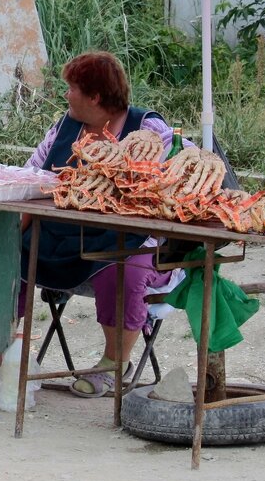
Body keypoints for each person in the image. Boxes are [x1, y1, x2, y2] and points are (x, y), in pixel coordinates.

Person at [20, 51, 189, 397]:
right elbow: (30, 176)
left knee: (122, 270)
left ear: (95, 97)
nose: (65, 95)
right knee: (9, 255)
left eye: (71, 88)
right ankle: (5, 353)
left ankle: (113, 364)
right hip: (66, 242)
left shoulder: (149, 132)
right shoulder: (64, 127)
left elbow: (182, 176)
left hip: (133, 244)